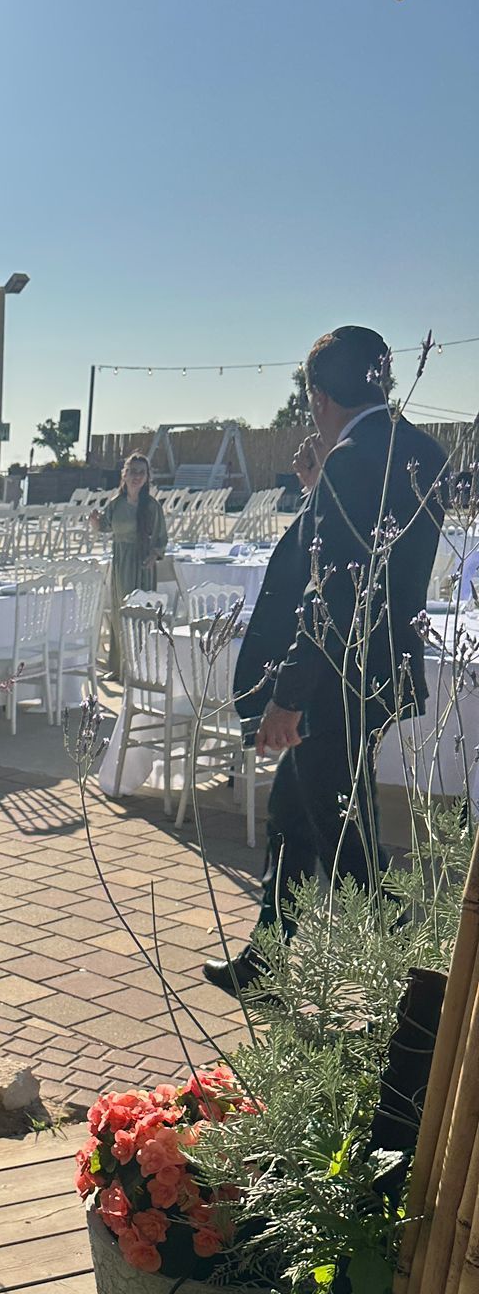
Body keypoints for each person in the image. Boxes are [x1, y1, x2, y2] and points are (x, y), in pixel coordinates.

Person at [204, 326, 447, 995]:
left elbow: (332, 597)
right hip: (382, 673)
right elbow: (374, 560)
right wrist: (319, 491)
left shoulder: (352, 459)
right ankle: (266, 959)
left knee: (351, 847)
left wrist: (288, 698)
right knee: (293, 815)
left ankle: (415, 994)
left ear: (317, 396)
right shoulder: (421, 450)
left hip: (333, 684)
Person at [91, 452, 168, 681]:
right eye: (133, 471)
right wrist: (94, 522)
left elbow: (161, 538)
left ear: (147, 477)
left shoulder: (152, 506)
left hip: (142, 564)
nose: (137, 476)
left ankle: (140, 669)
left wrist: (154, 555)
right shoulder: (116, 504)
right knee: (120, 614)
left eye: (141, 472)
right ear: (124, 474)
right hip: (121, 563)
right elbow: (104, 526)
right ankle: (120, 668)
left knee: (141, 615)